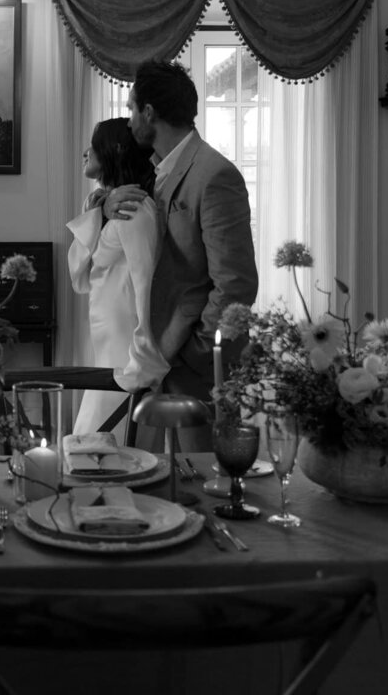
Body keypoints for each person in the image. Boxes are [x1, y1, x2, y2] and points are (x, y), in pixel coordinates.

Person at [103, 60, 258, 451]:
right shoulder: (157, 171)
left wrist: (195, 354)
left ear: (149, 112)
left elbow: (235, 283)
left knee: (203, 492)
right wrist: (105, 203)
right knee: (159, 494)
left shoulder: (215, 175)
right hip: (159, 362)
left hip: (197, 370)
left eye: (131, 108)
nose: (129, 118)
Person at [65, 118, 169, 438]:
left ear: (114, 151)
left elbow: (145, 282)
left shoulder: (134, 209)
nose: (85, 152)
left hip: (127, 356)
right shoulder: (108, 207)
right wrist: (98, 213)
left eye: (94, 145)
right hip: (106, 350)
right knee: (91, 448)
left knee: (104, 448)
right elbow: (79, 277)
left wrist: (142, 362)